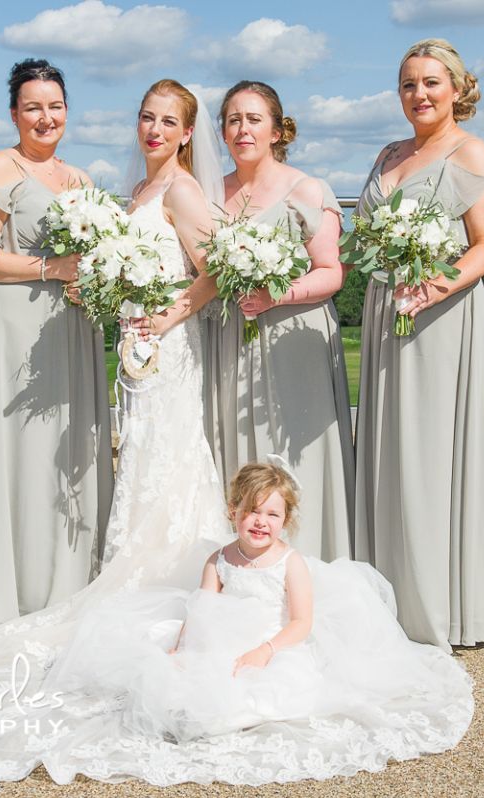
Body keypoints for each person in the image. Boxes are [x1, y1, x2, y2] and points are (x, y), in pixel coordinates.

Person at [0, 79, 235, 776]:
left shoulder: (138, 187)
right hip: (87, 338)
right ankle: (88, 581)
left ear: (187, 132)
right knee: (125, 461)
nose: (153, 129)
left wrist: (163, 314)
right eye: (145, 117)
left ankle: (163, 586)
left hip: (144, 342)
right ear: (13, 113)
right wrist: (76, 274)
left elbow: (208, 270)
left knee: (156, 460)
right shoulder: (98, 184)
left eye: (55, 105)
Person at [0, 462, 475, 785]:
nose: (260, 523)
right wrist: (183, 650)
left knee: (262, 694)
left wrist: (265, 651)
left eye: (271, 515)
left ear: (286, 521)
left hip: (271, 645)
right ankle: (190, 709)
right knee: (170, 677)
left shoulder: (290, 565)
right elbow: (198, 611)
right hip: (216, 641)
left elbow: (301, 624)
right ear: (233, 512)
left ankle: (220, 709)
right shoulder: (219, 559)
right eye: (251, 512)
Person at [353, 39, 484, 650]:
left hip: (439, 316)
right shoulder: (389, 153)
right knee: (389, 447)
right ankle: (386, 596)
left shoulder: (471, 154)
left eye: (430, 83)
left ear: (456, 88)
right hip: (385, 310)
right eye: (408, 84)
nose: (418, 94)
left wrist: (431, 287)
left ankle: (437, 608)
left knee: (428, 452)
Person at [0, 59, 113, 632]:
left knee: (67, 450)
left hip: (72, 323)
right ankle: (17, 587)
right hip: (17, 322)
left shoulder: (82, 179)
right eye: (33, 108)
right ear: (14, 114)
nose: (46, 118)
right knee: (22, 452)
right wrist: (52, 267)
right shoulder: (0, 166)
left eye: (55, 106)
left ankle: (72, 580)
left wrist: (96, 277)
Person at [207, 81, 353, 560]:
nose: (242, 129)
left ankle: (308, 564)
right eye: (233, 120)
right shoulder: (210, 194)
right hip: (230, 338)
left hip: (294, 342)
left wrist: (278, 295)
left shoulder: (306, 189)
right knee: (236, 451)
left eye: (254, 119)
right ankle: (243, 567)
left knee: (295, 455)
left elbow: (332, 272)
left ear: (276, 130)